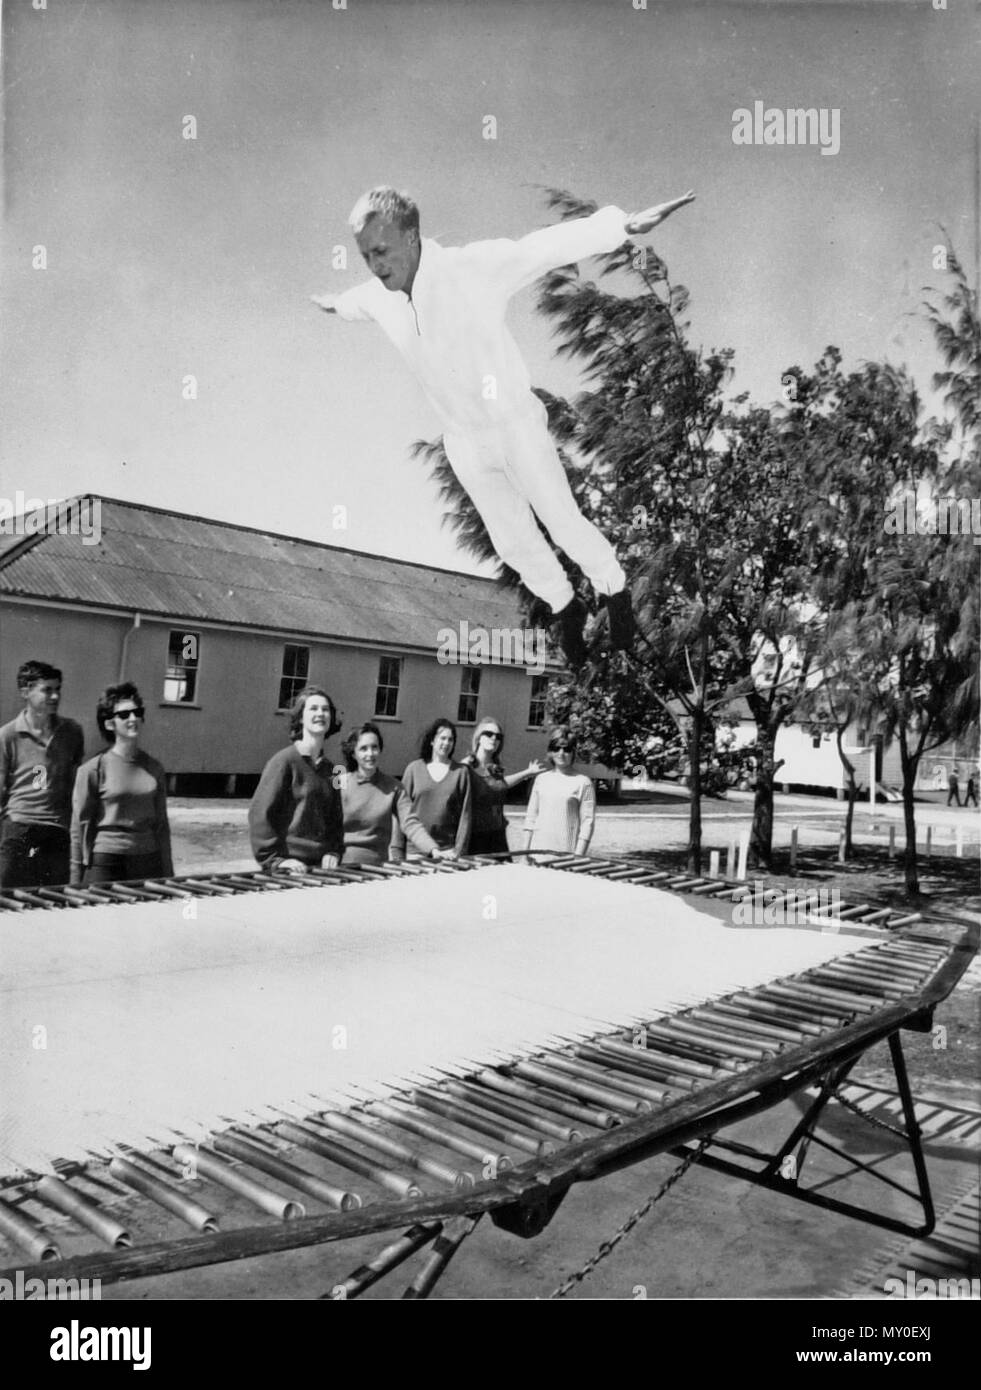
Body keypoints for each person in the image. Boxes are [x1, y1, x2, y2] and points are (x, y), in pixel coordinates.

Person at [312, 185, 696, 667]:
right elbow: (355, 301)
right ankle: (564, 605)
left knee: (560, 519)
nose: (374, 264)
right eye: (365, 255)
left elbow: (541, 248)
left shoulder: (469, 268)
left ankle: (613, 591)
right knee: (512, 540)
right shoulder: (379, 295)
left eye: (382, 251)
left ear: (412, 237)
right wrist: (332, 303)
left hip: (513, 423)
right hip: (464, 440)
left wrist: (619, 226)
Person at [70, 683, 173, 885]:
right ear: (110, 724)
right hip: (106, 861)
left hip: (147, 860)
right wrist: (75, 879)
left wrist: (168, 873)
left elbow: (162, 826)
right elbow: (79, 828)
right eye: (124, 715)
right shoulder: (93, 769)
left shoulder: (154, 768)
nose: (133, 719)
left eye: (137, 712)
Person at [0, 659, 84, 890]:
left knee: (52, 903)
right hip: (19, 828)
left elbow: (73, 785)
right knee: (7, 901)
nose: (55, 696)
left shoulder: (72, 732)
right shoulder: (7, 736)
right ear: (25, 692)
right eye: (47, 690)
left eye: (58, 689)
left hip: (56, 831)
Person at [249, 687, 344, 874]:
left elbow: (336, 820)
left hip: (321, 869)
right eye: (313, 709)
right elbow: (260, 815)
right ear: (301, 717)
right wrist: (275, 860)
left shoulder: (334, 771)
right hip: (288, 868)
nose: (320, 714)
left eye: (325, 710)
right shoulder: (283, 762)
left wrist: (333, 851)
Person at [339, 721, 454, 866]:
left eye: (375, 747)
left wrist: (433, 850)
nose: (370, 753)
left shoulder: (394, 787)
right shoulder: (340, 783)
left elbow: (411, 823)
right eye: (363, 749)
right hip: (340, 864)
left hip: (376, 867)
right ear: (353, 754)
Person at [460, 716, 546, 857]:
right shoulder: (466, 766)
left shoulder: (494, 768)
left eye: (498, 736)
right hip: (474, 837)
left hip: (497, 835)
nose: (493, 738)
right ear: (478, 738)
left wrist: (527, 772)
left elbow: (500, 785)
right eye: (488, 734)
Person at [395, 718, 472, 858]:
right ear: (432, 741)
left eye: (450, 739)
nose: (446, 743)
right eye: (442, 738)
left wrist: (459, 851)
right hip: (415, 851)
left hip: (447, 852)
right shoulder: (414, 769)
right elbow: (401, 813)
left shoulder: (461, 773)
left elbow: (465, 817)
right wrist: (398, 852)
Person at [523, 727, 596, 856]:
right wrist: (525, 854)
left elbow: (587, 824)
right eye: (556, 748)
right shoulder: (541, 779)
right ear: (550, 752)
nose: (561, 753)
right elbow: (531, 818)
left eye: (567, 749)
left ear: (573, 752)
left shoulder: (584, 783)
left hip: (566, 855)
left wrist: (578, 857)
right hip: (537, 853)